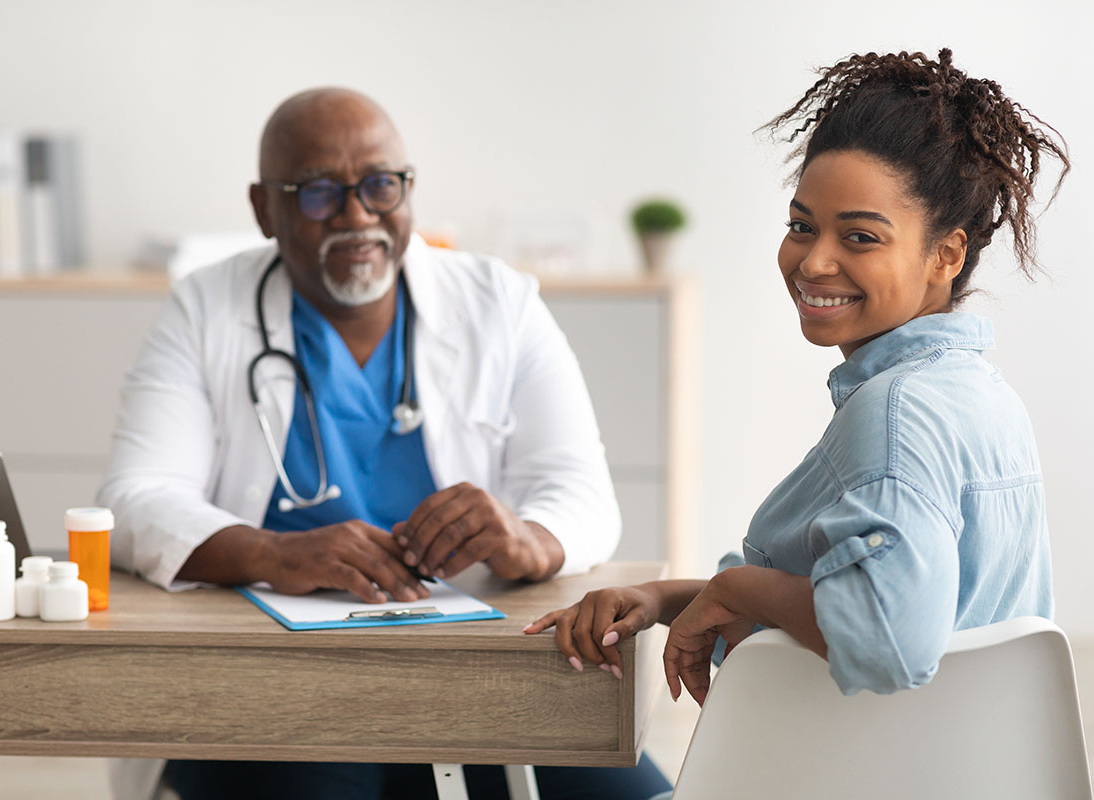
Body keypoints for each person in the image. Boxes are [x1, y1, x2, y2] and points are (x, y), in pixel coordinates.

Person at [98, 88, 671, 800]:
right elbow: (133, 499)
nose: (357, 216)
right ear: (263, 209)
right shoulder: (206, 308)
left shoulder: (500, 301)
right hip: (274, 684)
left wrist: (527, 538)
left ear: (407, 189)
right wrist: (272, 553)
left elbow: (582, 492)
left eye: (379, 186)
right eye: (317, 193)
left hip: (480, 671)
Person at [527, 49, 1069, 710]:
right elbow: (843, 600)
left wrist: (737, 591)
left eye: (861, 238)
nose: (813, 262)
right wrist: (663, 599)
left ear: (946, 255)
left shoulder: (896, 414)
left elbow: (886, 640)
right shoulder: (982, 397)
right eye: (800, 227)